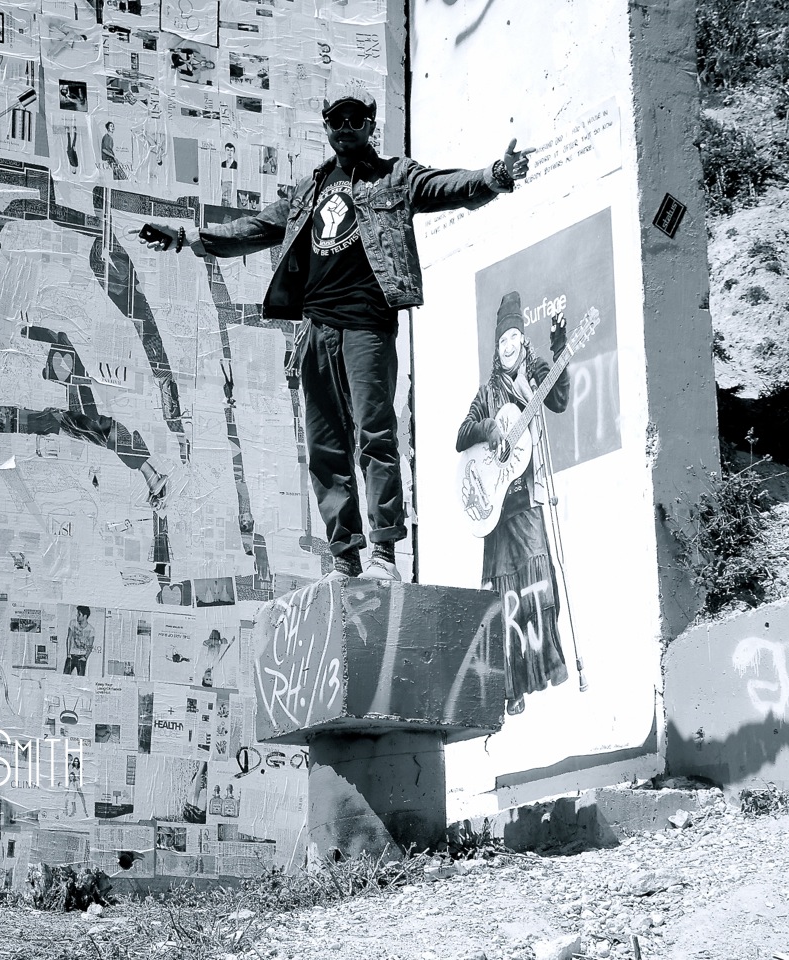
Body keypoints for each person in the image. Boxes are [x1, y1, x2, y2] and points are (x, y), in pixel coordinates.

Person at [142, 86, 533, 580]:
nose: (346, 127)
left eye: (355, 119)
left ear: (370, 124)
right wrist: (186, 237)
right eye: (337, 119)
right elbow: (256, 228)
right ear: (326, 125)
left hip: (366, 324)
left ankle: (384, 555)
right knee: (325, 447)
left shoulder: (394, 176)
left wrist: (495, 176)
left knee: (375, 435)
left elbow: (445, 186)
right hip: (317, 328)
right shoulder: (310, 190)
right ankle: (344, 557)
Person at [455, 292, 571, 715]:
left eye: (513, 337)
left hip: (527, 501)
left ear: (523, 339)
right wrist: (488, 429)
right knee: (505, 596)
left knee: (538, 583)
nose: (508, 346)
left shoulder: (535, 376)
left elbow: (558, 401)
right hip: (496, 510)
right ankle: (512, 684)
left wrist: (560, 347)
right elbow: (462, 436)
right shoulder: (486, 393)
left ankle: (547, 664)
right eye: (502, 340)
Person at [63, 604, 95, 675]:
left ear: (85, 616)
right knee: (65, 676)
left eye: (79, 614)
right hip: (71, 655)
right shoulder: (73, 623)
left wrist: (85, 657)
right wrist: (68, 654)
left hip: (81, 657)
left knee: (80, 679)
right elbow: (69, 638)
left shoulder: (91, 629)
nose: (77, 615)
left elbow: (90, 646)